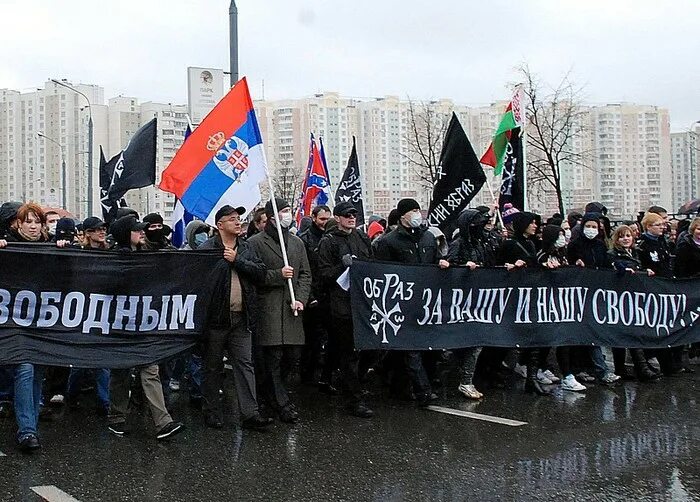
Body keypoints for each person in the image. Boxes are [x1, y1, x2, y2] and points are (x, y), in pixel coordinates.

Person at [106, 215, 184, 440]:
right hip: (120, 323)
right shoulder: (114, 259)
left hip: (143, 321)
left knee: (150, 369)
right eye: (136, 230)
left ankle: (163, 422)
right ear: (125, 235)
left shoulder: (146, 256)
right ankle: (116, 418)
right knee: (120, 371)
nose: (142, 233)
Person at [197, 205, 273, 431]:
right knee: (212, 367)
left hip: (242, 317)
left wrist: (237, 260)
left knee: (244, 365)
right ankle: (211, 412)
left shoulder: (246, 248)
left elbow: (261, 273)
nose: (238, 222)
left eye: (239, 219)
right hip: (217, 319)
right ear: (220, 225)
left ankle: (251, 413)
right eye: (232, 219)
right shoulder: (207, 249)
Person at [375, 198, 448, 406]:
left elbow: (432, 263)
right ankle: (423, 391)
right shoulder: (388, 242)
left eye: (418, 210)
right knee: (411, 349)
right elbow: (382, 272)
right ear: (403, 215)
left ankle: (397, 385)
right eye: (413, 210)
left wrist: (440, 264)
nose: (418, 214)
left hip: (425, 302)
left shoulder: (426, 238)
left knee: (418, 349)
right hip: (400, 303)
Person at [248, 198, 312, 423]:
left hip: (292, 310)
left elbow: (305, 273)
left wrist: (301, 299)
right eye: (284, 211)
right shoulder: (256, 243)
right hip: (270, 311)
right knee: (272, 358)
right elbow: (253, 274)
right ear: (273, 216)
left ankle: (274, 395)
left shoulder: (296, 243)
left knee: (291, 358)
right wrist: (277, 275)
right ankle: (281, 403)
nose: (288, 215)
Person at [0, 203, 50, 451]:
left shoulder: (51, 248)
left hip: (41, 322)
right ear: (17, 224)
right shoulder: (6, 245)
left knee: (36, 371)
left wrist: (66, 249)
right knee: (25, 367)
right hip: (13, 323)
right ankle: (27, 431)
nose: (32, 226)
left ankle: (30, 425)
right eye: (27, 221)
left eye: (36, 222)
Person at [317, 201, 374, 418]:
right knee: (348, 352)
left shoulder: (361, 238)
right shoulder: (329, 242)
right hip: (340, 305)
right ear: (338, 218)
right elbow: (323, 274)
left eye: (354, 215)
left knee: (369, 349)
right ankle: (354, 398)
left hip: (362, 302)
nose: (352, 218)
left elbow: (371, 263)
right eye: (347, 215)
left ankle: (347, 381)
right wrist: (343, 265)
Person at [496, 211, 552, 396]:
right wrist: (512, 267)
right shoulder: (510, 245)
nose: (535, 226)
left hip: (531, 296)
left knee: (534, 335)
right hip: (514, 298)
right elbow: (498, 268)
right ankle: (502, 369)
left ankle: (532, 376)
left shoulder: (531, 244)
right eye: (532, 223)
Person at [447, 209, 498, 400]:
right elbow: (449, 268)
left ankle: (463, 378)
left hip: (478, 301)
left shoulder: (481, 243)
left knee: (475, 342)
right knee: (470, 343)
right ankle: (464, 381)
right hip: (460, 303)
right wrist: (463, 267)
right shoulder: (459, 244)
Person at [567, 213, 621, 384]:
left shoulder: (600, 245)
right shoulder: (575, 245)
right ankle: (597, 369)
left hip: (597, 294)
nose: (591, 230)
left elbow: (606, 264)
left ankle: (596, 368)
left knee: (593, 332)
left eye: (594, 227)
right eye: (588, 226)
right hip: (580, 295)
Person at [607, 225, 660, 382]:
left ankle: (638, 366)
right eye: (622, 236)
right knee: (622, 332)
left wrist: (645, 272)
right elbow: (614, 268)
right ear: (617, 239)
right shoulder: (612, 254)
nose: (626, 238)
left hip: (634, 298)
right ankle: (628, 367)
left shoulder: (636, 252)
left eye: (628, 236)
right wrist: (623, 269)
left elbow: (639, 269)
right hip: (619, 298)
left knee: (633, 330)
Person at [298, 205, 333, 388]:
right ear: (313, 218)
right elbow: (304, 271)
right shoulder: (304, 240)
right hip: (313, 297)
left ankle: (324, 375)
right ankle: (307, 375)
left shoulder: (331, 238)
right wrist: (309, 296)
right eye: (322, 219)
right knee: (312, 339)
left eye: (328, 219)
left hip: (328, 296)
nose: (325, 223)